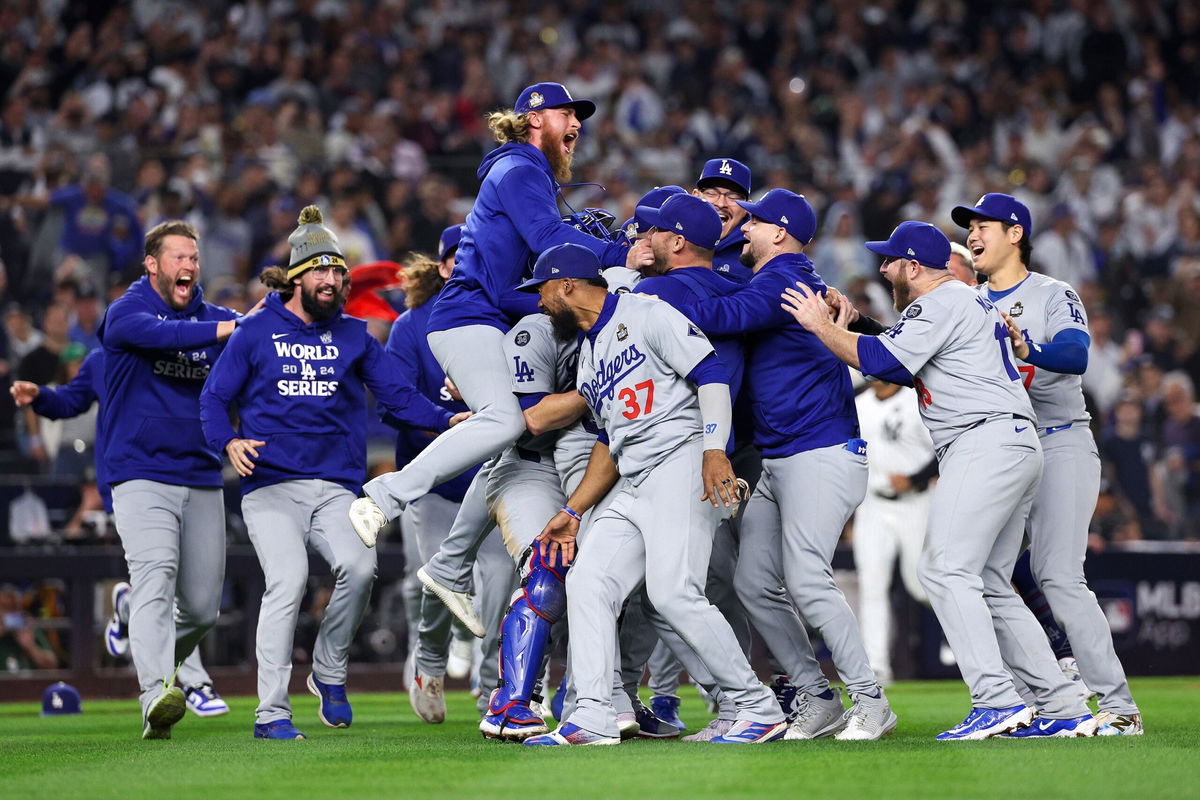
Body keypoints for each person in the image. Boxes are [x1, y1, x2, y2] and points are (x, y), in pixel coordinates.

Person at [779, 220, 1094, 739]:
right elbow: (904, 357)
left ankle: (995, 699)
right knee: (989, 579)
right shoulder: (966, 301)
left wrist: (821, 325)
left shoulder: (940, 301)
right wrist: (855, 323)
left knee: (945, 569)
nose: (884, 269)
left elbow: (883, 362)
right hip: (1011, 440)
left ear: (914, 266)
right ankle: (1063, 704)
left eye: (890, 261)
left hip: (983, 440)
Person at [199, 206, 463, 741]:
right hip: (270, 486)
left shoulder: (356, 336)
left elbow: (398, 397)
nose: (333, 279)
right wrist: (227, 441)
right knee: (289, 581)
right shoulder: (254, 330)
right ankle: (271, 710)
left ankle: (328, 670)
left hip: (335, 489)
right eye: (321, 270)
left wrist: (448, 419)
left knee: (361, 570)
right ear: (297, 276)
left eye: (338, 271)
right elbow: (213, 398)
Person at [521, 242, 785, 746]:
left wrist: (714, 449)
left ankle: (757, 706)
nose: (538, 302)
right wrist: (572, 510)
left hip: (682, 459)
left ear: (568, 285)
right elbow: (608, 441)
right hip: (634, 476)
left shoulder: (647, 312)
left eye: (543, 290)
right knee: (589, 582)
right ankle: (595, 715)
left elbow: (710, 373)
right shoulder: (590, 353)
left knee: (672, 593)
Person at [350, 82, 627, 546]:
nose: (577, 124)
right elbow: (546, 240)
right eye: (567, 114)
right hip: (468, 315)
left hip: (487, 318)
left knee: (508, 442)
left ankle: (450, 566)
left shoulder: (527, 172)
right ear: (535, 118)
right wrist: (619, 255)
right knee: (505, 420)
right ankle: (385, 495)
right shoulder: (520, 169)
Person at [681, 189, 893, 741]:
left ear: (778, 231)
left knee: (805, 578)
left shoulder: (785, 278)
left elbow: (725, 314)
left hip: (820, 451)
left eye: (751, 222)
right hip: (780, 457)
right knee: (754, 583)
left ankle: (871, 701)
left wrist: (648, 297)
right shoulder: (781, 280)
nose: (742, 229)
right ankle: (817, 697)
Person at [955, 192, 1141, 736]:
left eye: (982, 224)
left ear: (1015, 233)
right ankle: (1040, 700)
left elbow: (1076, 355)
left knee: (1057, 574)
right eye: (969, 227)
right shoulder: (969, 300)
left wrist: (1027, 346)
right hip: (1000, 449)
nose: (971, 234)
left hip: (1059, 440)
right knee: (979, 574)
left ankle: (1119, 706)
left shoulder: (1052, 292)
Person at [9, 349, 229, 717]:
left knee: (175, 590)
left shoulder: (184, 352)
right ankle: (191, 681)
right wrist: (43, 397)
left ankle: (129, 610)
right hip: (130, 482)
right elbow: (71, 400)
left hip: (188, 479)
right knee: (162, 578)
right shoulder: (105, 358)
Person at [98, 220, 240, 739]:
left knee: (202, 609)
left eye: (194, 258)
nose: (189, 266)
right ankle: (155, 694)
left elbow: (258, 344)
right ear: (152, 264)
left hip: (201, 472)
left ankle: (133, 618)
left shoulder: (218, 318)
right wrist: (229, 329)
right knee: (156, 575)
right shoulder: (126, 311)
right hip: (140, 471)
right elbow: (161, 335)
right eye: (178, 257)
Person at [852, 378, 936, 685]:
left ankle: (978, 645)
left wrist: (915, 478)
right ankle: (875, 668)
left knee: (922, 585)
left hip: (916, 502)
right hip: (872, 503)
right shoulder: (859, 404)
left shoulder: (917, 401)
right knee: (872, 585)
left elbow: (943, 447)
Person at [693, 158, 752, 284]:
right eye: (711, 193)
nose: (720, 203)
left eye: (733, 197)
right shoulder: (672, 235)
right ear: (695, 196)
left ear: (747, 207)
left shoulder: (756, 251)